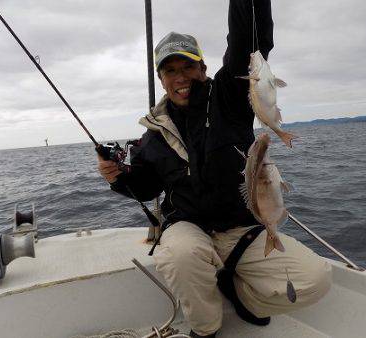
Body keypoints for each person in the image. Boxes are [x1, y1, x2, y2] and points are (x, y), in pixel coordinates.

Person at [98, 1, 331, 337]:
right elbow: (146, 187)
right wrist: (119, 177)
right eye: (170, 71)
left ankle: (241, 296)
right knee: (180, 254)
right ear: (161, 79)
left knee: (315, 280)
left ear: (203, 68)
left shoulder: (228, 96)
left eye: (188, 67)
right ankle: (205, 328)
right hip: (189, 226)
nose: (180, 78)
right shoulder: (151, 136)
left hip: (241, 226)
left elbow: (248, 43)